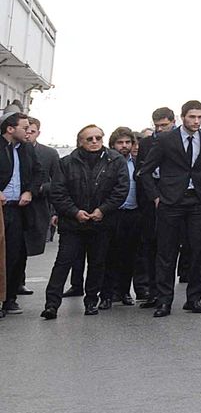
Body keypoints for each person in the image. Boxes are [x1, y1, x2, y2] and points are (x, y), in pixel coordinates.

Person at [138, 100, 201, 317]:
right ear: (182, 117)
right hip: (170, 202)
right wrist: (155, 197)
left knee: (198, 252)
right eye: (192, 117)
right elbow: (145, 171)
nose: (196, 121)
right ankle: (164, 301)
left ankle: (193, 299)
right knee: (166, 253)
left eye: (200, 117)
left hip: (199, 201)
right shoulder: (166, 139)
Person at [41, 126, 130, 318]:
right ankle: (51, 304)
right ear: (80, 141)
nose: (94, 141)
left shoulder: (115, 160)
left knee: (97, 263)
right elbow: (58, 192)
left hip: (102, 222)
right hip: (73, 223)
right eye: (89, 139)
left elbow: (121, 190)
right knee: (63, 263)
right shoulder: (66, 162)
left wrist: (102, 210)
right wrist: (75, 212)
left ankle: (91, 302)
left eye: (98, 137)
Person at [131, 108, 175, 307]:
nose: (160, 129)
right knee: (149, 246)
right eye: (157, 126)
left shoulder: (179, 141)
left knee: (168, 248)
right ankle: (152, 291)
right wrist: (153, 196)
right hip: (151, 200)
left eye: (164, 125)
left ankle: (166, 291)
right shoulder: (147, 143)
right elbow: (141, 172)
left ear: (173, 122)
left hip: (173, 198)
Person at [102, 127, 143, 308]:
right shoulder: (107, 163)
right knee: (109, 255)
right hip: (112, 213)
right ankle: (107, 294)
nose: (124, 146)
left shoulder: (137, 163)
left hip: (133, 213)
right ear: (112, 145)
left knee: (129, 255)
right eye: (120, 143)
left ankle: (125, 291)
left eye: (128, 142)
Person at [1, 113, 37, 316]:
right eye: (25, 127)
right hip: (0, 208)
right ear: (10, 129)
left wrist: (29, 191)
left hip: (17, 209)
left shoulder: (26, 150)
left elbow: (39, 173)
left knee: (14, 254)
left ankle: (9, 299)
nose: (28, 131)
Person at [23, 116, 61, 296]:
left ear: (38, 132)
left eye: (32, 131)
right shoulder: (13, 150)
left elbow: (57, 182)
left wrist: (40, 189)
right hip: (15, 204)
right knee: (14, 245)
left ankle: (18, 281)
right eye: (26, 130)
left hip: (38, 205)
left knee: (30, 245)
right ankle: (16, 281)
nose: (28, 134)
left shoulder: (49, 154)